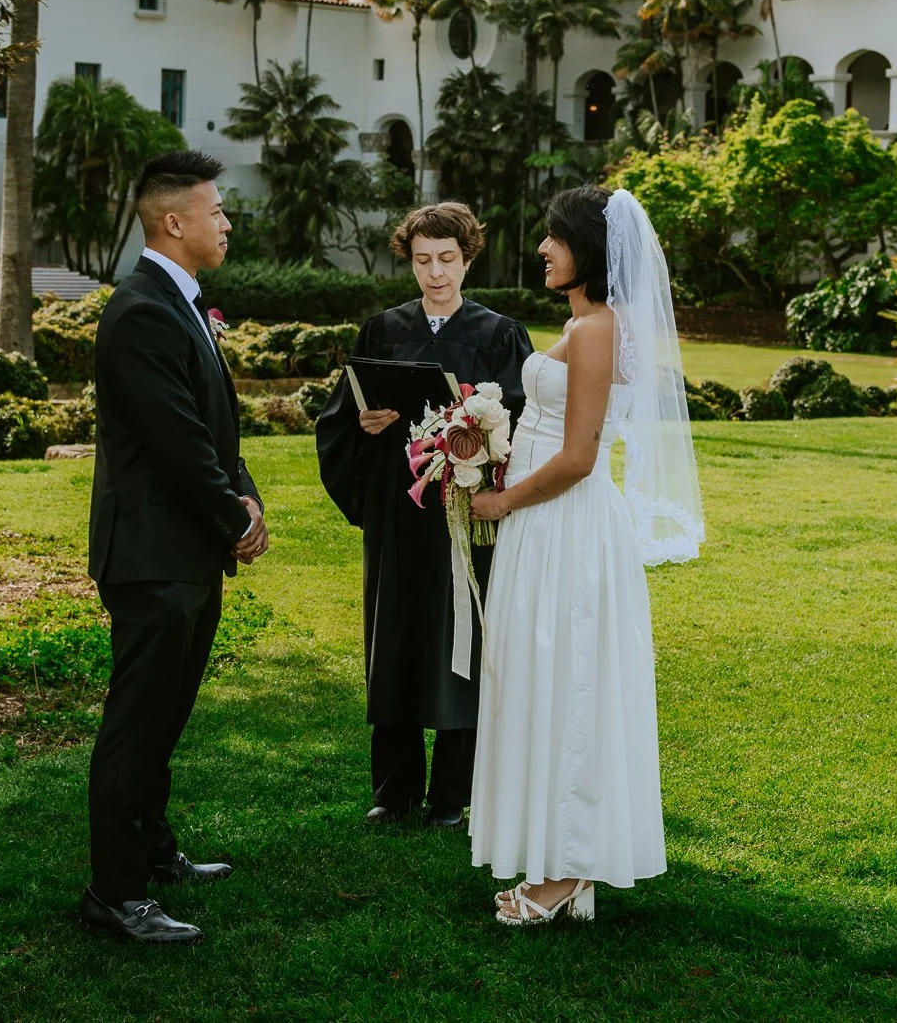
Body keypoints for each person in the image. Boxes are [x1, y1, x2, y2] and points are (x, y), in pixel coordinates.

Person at [467, 185, 704, 926]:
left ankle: (568, 868)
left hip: (564, 521)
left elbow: (576, 455)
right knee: (541, 676)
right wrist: (483, 449)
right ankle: (556, 856)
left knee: (567, 679)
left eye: (554, 237)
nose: (542, 248)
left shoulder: (599, 327)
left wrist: (503, 500)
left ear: (589, 251)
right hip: (545, 522)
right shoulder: (582, 322)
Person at [81, 150, 269, 946]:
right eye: (216, 209)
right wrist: (233, 515)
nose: (225, 221)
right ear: (173, 221)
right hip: (155, 556)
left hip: (185, 552)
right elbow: (176, 440)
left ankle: (154, 853)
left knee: (164, 720)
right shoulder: (143, 309)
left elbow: (210, 421)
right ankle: (117, 893)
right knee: (135, 725)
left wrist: (245, 490)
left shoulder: (178, 301)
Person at [316, 203, 533, 828]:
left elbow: (520, 420)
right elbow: (341, 419)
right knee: (396, 640)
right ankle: (394, 788)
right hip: (397, 509)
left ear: (468, 259)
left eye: (446, 260)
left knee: (461, 640)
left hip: (465, 516)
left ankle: (453, 795)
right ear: (408, 260)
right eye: (422, 261)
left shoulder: (498, 335)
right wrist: (364, 425)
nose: (435, 274)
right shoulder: (382, 330)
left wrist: (476, 435)